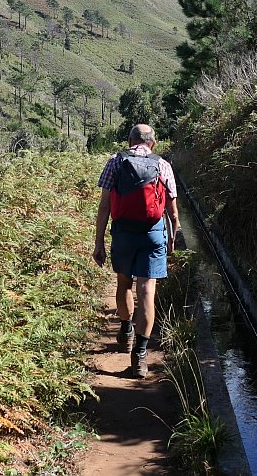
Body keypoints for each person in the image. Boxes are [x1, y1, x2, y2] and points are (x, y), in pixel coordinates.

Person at [93, 123, 180, 378]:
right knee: (147, 291)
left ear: (130, 141)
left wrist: (99, 242)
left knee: (124, 284)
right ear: (153, 143)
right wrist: (171, 240)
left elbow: (105, 206)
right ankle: (140, 356)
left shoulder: (115, 162)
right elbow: (173, 213)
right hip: (153, 234)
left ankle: (126, 330)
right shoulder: (162, 164)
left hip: (123, 233)